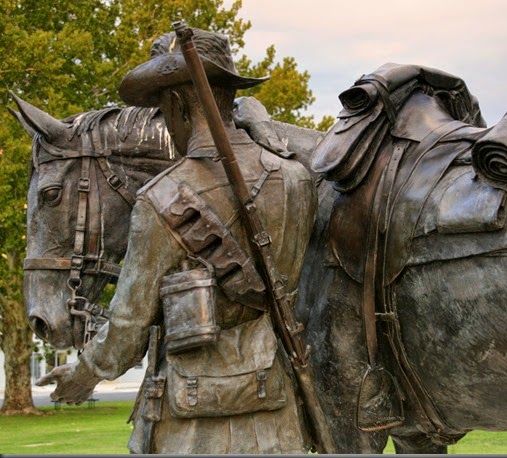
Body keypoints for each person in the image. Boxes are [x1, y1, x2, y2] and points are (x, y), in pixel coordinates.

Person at [36, 28, 317, 454]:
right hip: (276, 415)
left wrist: (83, 374)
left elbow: (128, 326)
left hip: (189, 425)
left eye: (163, 111)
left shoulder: (161, 199)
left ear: (177, 104)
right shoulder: (297, 180)